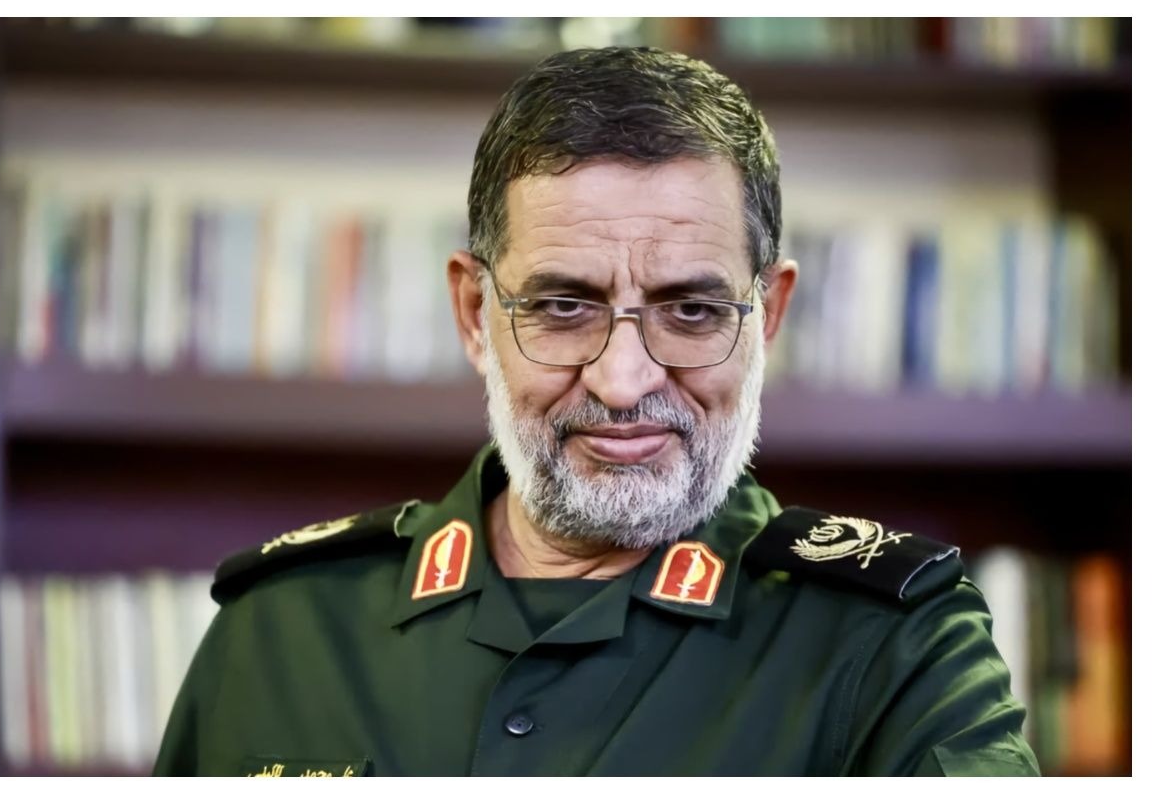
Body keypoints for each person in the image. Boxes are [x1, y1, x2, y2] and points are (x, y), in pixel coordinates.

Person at [153, 46, 1039, 777]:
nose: (621, 382)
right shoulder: (279, 627)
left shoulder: (897, 645)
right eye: (563, 306)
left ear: (766, 317)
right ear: (475, 314)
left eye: (691, 311)